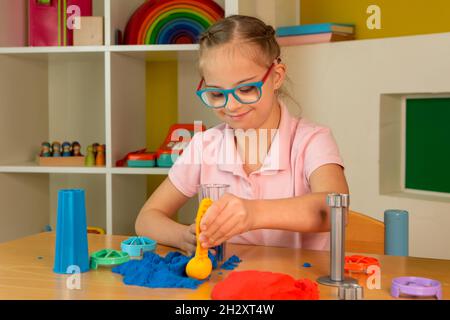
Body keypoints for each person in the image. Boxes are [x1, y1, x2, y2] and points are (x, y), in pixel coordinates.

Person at [136, 15, 349, 256]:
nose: (232, 106)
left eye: (246, 89)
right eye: (216, 94)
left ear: (276, 76)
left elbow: (334, 210)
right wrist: (182, 236)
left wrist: (254, 213)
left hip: (298, 284)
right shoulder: (204, 146)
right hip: (228, 282)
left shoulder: (312, 140)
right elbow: (146, 218)